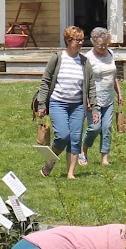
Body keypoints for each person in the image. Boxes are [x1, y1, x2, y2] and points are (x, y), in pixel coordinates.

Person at [35, 26, 93, 179]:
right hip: (58, 103)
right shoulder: (57, 58)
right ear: (68, 41)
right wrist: (42, 104)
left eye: (82, 40)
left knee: (75, 139)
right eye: (77, 40)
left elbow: (91, 85)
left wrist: (93, 105)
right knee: (62, 136)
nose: (81, 43)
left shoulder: (84, 61)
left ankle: (70, 173)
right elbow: (45, 82)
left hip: (78, 106)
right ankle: (50, 162)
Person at [83, 27, 123, 168]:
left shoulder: (110, 53)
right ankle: (83, 150)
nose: (104, 47)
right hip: (93, 99)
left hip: (108, 98)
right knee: (95, 127)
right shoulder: (88, 58)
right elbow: (84, 81)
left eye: (106, 44)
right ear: (93, 42)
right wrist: (87, 100)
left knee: (107, 128)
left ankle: (105, 157)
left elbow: (114, 76)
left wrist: (119, 93)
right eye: (101, 45)